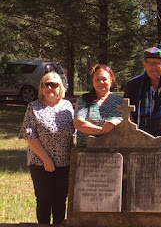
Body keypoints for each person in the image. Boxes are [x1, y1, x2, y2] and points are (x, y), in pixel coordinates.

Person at [19, 72, 74, 224]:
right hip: (39, 162)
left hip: (64, 162)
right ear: (41, 87)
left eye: (54, 84)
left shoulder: (67, 106)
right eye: (46, 84)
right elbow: (29, 135)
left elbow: (73, 132)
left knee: (60, 200)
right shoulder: (33, 107)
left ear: (60, 87)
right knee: (43, 200)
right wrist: (46, 160)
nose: (50, 87)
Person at [124, 45, 161, 147]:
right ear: (144, 64)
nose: (153, 67)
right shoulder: (133, 85)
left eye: (157, 63)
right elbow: (128, 114)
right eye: (150, 63)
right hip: (140, 144)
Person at [74, 64, 123, 147]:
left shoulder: (120, 101)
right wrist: (103, 131)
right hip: (86, 151)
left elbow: (128, 123)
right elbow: (78, 123)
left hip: (113, 153)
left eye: (104, 79)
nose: (101, 82)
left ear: (111, 80)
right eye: (97, 79)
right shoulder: (84, 99)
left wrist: (115, 122)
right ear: (92, 81)